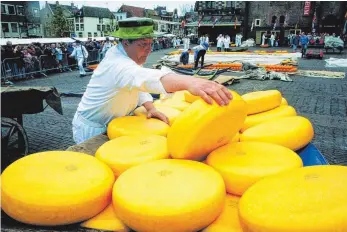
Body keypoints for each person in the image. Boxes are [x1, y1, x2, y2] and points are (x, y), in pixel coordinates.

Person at [72, 18, 232, 144]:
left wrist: (150, 107)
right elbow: (145, 79)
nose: (149, 49)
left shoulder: (127, 55)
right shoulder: (117, 64)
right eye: (143, 44)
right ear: (126, 42)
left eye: (151, 43)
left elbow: (134, 86)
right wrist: (191, 82)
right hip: (93, 129)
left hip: (115, 124)